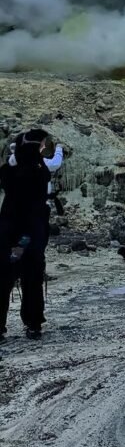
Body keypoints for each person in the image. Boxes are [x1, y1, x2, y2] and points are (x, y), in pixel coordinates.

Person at [0, 129, 50, 340]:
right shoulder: (39, 171)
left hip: (9, 233)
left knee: (4, 278)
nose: (43, 149)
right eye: (41, 146)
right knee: (32, 278)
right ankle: (33, 323)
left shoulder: (10, 171)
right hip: (29, 234)